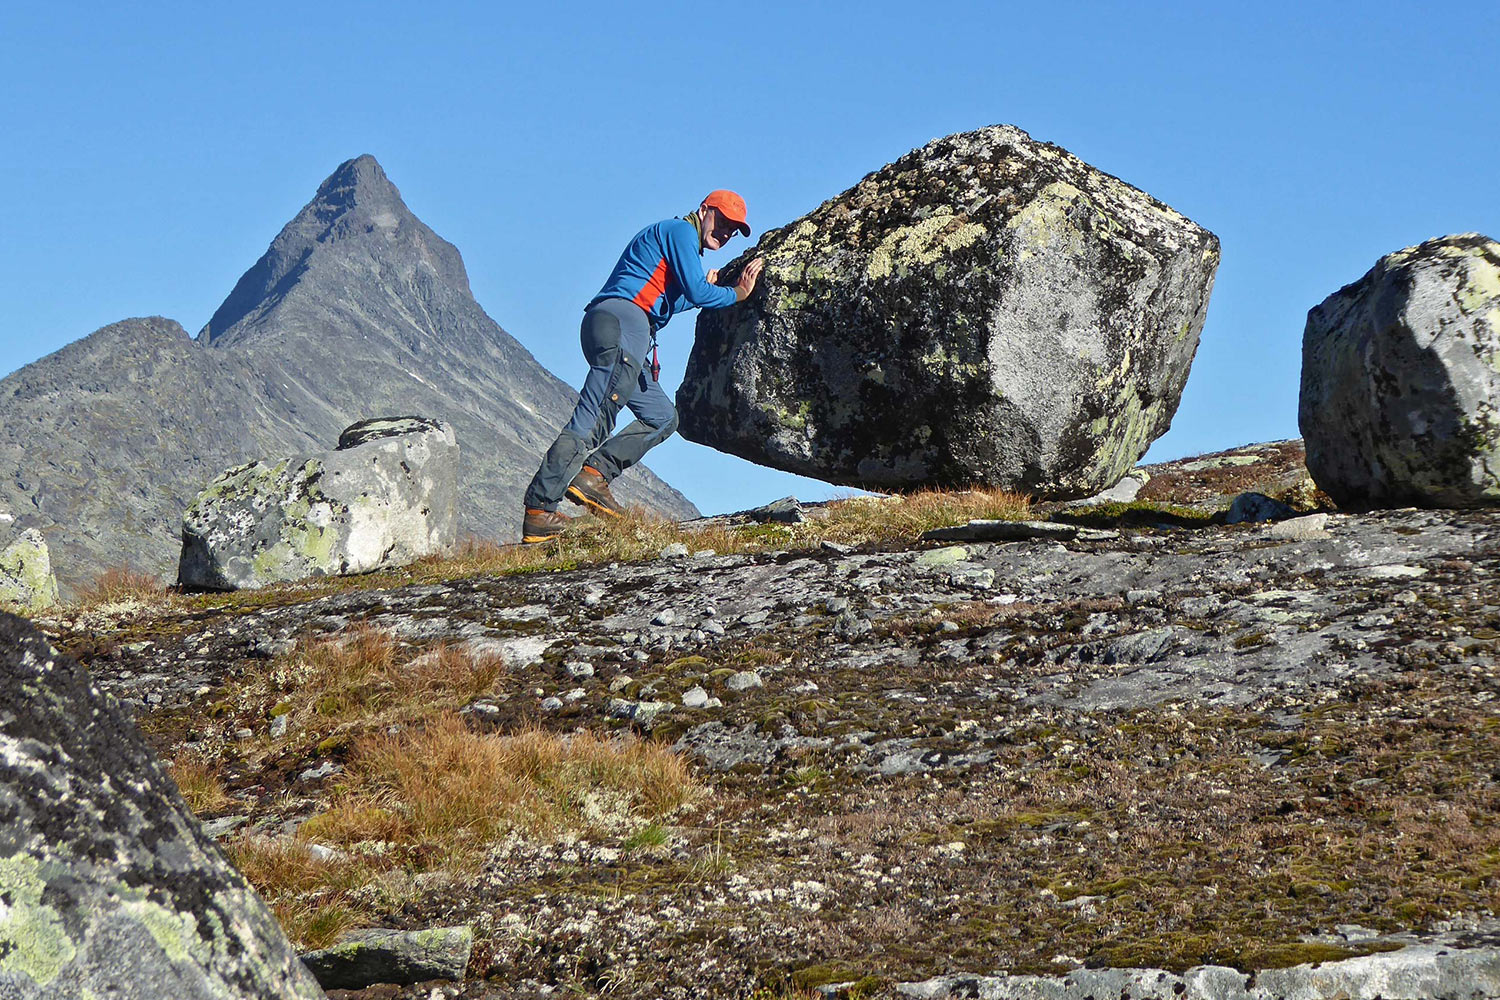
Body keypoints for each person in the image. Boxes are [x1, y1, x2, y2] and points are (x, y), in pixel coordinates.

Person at [522, 191, 765, 543]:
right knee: (595, 416)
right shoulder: (680, 232)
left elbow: (670, 299)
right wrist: (737, 293)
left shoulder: (678, 242)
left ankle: (593, 476)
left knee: (663, 417)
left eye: (733, 230)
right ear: (704, 210)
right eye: (723, 221)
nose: (726, 232)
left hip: (621, 325)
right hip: (623, 323)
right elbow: (697, 295)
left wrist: (704, 287)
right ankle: (539, 510)